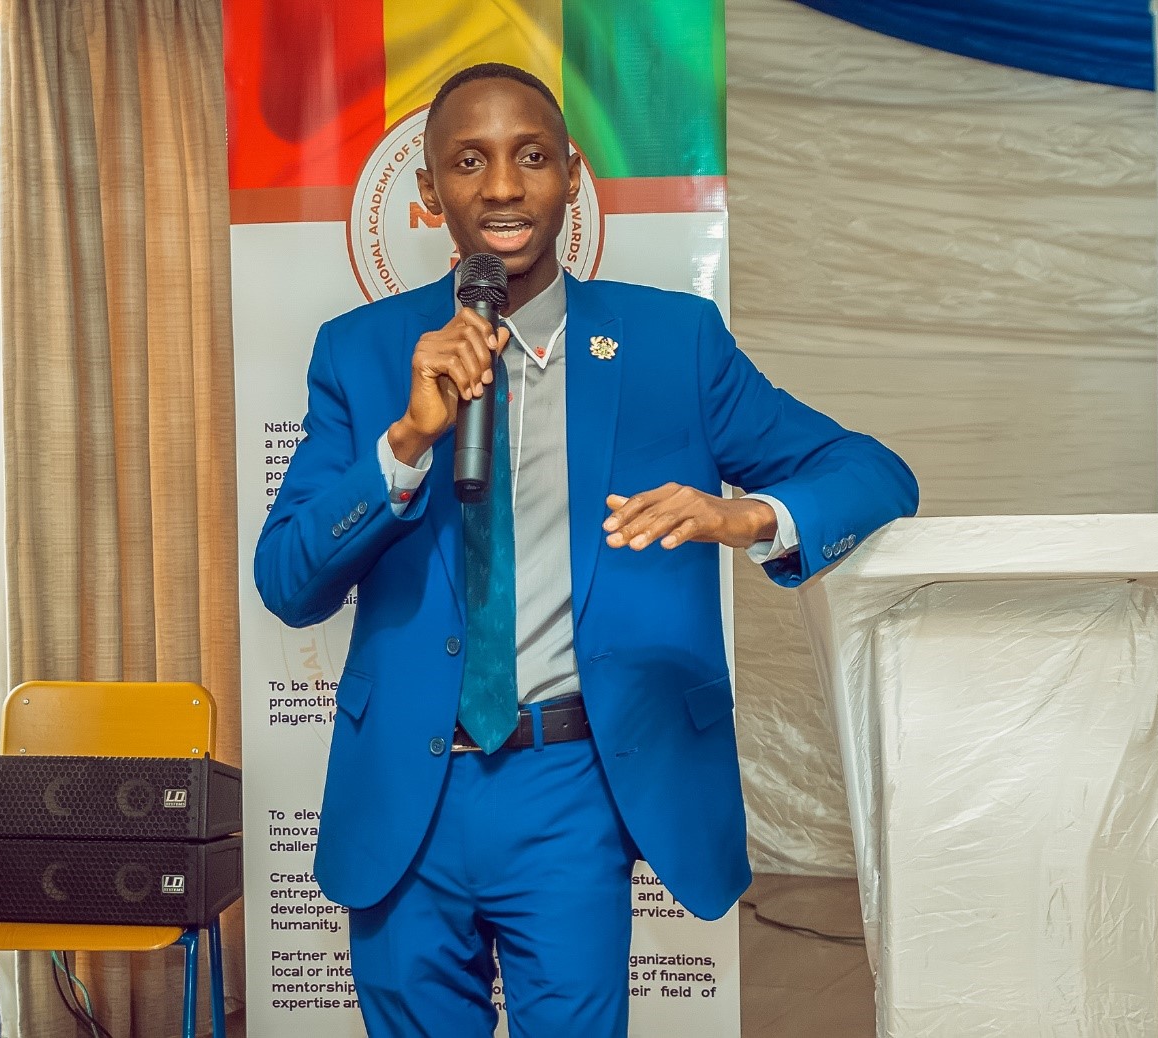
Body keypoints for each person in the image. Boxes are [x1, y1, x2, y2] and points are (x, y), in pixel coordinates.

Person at [254, 61, 918, 1038]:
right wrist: (403, 445)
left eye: (531, 157)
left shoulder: (673, 343)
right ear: (429, 190)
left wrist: (745, 516)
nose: (503, 186)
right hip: (403, 787)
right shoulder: (358, 352)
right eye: (469, 162)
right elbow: (287, 581)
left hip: (570, 786)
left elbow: (871, 471)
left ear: (571, 173)